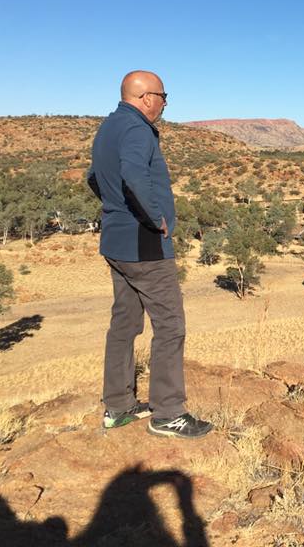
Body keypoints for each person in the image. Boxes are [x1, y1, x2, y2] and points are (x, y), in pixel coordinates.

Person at [87, 71, 212, 439]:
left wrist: (116, 208)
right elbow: (133, 175)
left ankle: (118, 407)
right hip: (145, 246)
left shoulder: (109, 127)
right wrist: (156, 219)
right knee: (170, 325)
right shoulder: (138, 129)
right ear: (145, 98)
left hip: (116, 243)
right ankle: (168, 413)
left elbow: (94, 177)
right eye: (163, 95)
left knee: (124, 325)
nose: (165, 103)